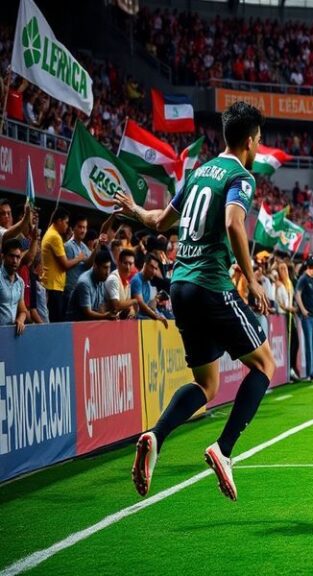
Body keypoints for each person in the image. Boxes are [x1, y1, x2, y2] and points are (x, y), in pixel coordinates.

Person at [115, 101, 274, 502]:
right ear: (250, 140)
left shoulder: (199, 173)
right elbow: (234, 223)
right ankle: (224, 449)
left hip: (180, 286)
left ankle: (156, 434)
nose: (258, 145)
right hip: (209, 283)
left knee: (206, 383)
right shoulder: (241, 176)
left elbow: (157, 222)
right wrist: (251, 281)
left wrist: (132, 208)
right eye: (258, 139)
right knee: (264, 364)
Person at [41, 208, 84, 322]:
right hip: (53, 287)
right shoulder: (55, 237)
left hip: (52, 285)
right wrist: (79, 258)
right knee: (56, 322)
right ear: (59, 221)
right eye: (66, 222)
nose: (67, 226)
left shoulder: (50, 232)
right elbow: (65, 264)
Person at [295, 258, 313, 380]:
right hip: (307, 317)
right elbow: (297, 294)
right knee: (309, 345)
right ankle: (309, 373)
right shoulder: (303, 279)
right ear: (309, 268)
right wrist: (302, 310)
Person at [66, 250, 115, 322]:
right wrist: (106, 316)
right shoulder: (84, 282)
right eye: (105, 268)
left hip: (89, 322)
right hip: (75, 325)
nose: (107, 272)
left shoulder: (101, 278)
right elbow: (88, 313)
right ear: (95, 266)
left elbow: (100, 307)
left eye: (109, 268)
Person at [130, 253, 169, 328]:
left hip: (145, 319)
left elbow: (150, 306)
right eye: (151, 267)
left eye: (155, 268)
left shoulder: (148, 282)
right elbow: (142, 305)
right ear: (145, 265)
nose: (153, 271)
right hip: (137, 322)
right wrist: (156, 316)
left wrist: (156, 299)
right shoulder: (136, 280)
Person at [0, 238, 28, 335]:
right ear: (3, 256)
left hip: (10, 334)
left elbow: (23, 310)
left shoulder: (20, 282)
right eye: (11, 256)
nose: (15, 261)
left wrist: (20, 320)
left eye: (18, 257)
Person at [105, 248, 138, 319]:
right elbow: (116, 306)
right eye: (125, 263)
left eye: (130, 264)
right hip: (106, 322)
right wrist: (135, 301)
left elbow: (128, 303)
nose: (128, 267)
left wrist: (131, 310)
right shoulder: (113, 279)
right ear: (118, 263)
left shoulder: (127, 282)